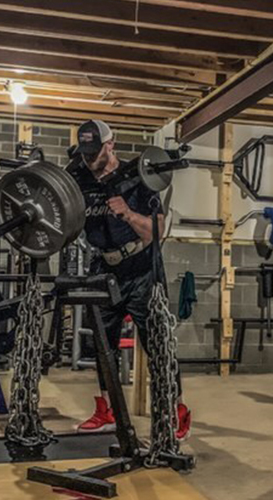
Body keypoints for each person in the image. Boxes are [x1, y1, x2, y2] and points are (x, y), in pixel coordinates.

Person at [67, 120, 191, 440]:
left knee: (157, 342)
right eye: (85, 153)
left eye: (95, 153)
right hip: (103, 268)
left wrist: (128, 214)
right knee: (101, 345)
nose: (89, 160)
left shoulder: (140, 179)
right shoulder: (78, 175)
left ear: (111, 145)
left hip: (141, 268)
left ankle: (176, 411)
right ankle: (105, 410)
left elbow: (156, 233)